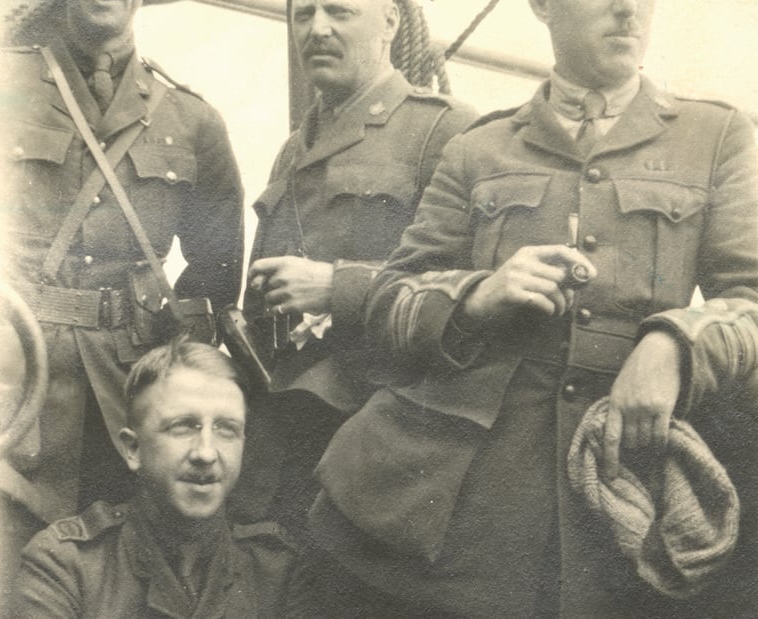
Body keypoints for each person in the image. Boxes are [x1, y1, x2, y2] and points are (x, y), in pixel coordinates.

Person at [305, 0, 758, 616]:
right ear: (543, 6)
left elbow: (749, 299)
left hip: (626, 481)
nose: (628, 10)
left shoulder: (714, 135)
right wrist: (477, 296)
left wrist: (675, 345)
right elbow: (387, 302)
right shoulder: (478, 146)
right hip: (474, 498)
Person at [0, 0, 243, 612]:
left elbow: (214, 276)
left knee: (115, 584)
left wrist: (165, 377)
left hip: (124, 400)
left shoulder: (191, 118)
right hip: (11, 388)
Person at [232, 0, 477, 534]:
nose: (317, 28)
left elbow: (472, 290)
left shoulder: (446, 129)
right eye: (304, 14)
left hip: (379, 434)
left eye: (339, 11)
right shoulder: (293, 149)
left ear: (390, 21)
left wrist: (336, 286)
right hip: (284, 429)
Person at [12, 338, 296, 618]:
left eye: (226, 429)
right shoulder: (65, 565)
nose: (206, 453)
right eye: (183, 426)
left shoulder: (277, 569)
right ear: (133, 449)